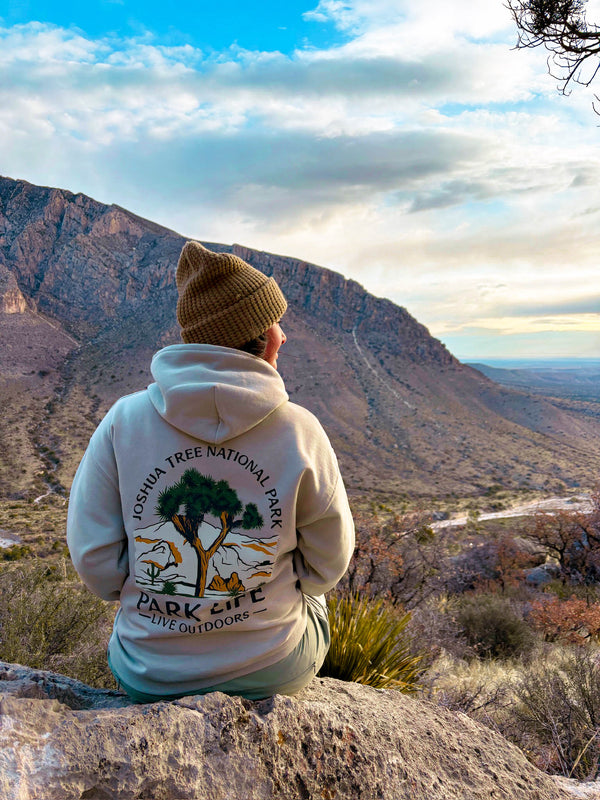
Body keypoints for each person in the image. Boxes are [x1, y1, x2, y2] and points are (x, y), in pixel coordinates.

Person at [67, 241, 355, 702]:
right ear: (262, 336)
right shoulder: (300, 429)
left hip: (149, 672)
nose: (284, 335)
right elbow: (327, 566)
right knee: (315, 599)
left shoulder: (123, 421)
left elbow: (97, 566)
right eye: (275, 324)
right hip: (272, 666)